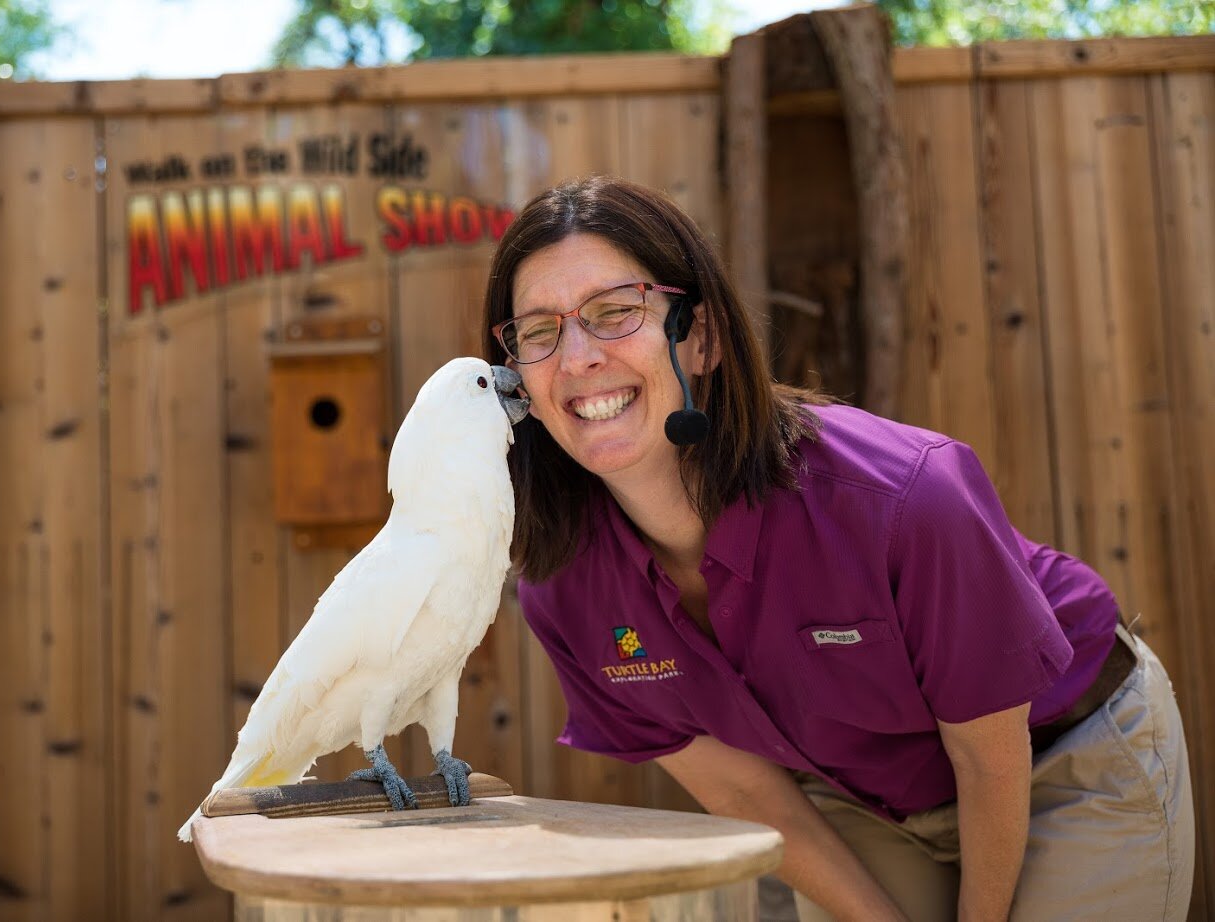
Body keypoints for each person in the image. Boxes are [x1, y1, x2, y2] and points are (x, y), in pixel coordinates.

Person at [479, 175, 1195, 921]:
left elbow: (989, 755)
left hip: (1056, 755)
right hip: (865, 799)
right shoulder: (561, 588)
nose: (576, 357)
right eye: (538, 331)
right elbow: (744, 791)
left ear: (703, 338)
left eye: (614, 312)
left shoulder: (907, 498)